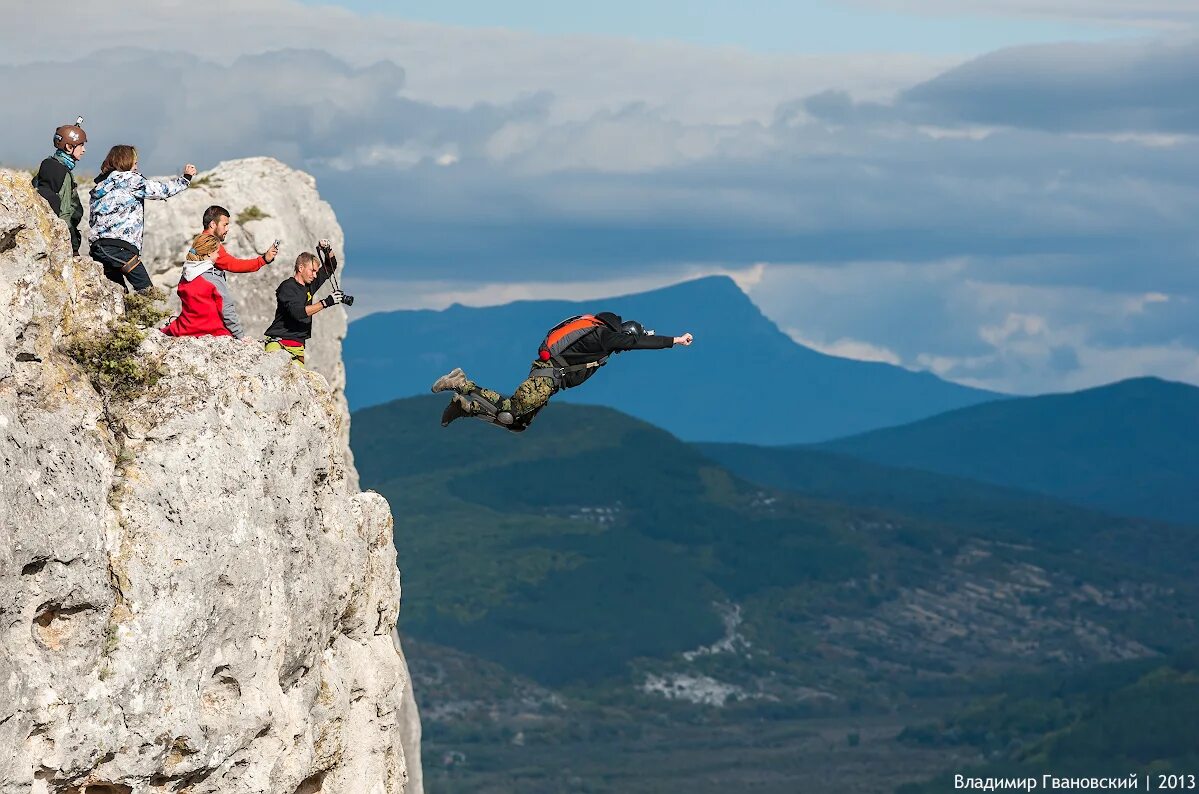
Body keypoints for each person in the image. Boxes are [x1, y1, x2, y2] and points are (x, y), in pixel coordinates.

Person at [431, 313, 694, 432]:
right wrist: (675, 340)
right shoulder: (605, 337)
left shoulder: (598, 334)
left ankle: (465, 408)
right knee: (509, 411)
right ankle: (461, 384)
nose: (622, 349)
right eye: (623, 344)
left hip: (549, 381)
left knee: (518, 424)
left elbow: (637, 338)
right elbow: (639, 342)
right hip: (546, 379)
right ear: (622, 336)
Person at [88, 145, 196, 293]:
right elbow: (161, 191)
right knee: (148, 292)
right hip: (120, 248)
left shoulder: (100, 187)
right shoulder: (130, 180)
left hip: (99, 249)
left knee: (118, 296)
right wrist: (185, 179)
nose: (137, 167)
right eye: (135, 162)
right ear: (126, 161)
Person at [262, 241, 344, 365]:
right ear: (301, 268)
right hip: (278, 342)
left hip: (298, 347)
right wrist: (326, 302)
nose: (316, 275)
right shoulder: (287, 287)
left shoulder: (310, 285)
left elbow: (330, 265)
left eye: (316, 271)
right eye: (312, 271)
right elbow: (298, 313)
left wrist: (327, 249)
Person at [161, 234, 244, 339]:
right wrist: (240, 336)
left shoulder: (185, 275)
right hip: (212, 331)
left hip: (185, 329)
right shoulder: (213, 278)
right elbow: (226, 309)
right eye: (217, 252)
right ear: (209, 253)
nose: (219, 255)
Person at [32, 119, 88, 254]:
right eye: (81, 145)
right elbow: (65, 212)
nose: (84, 150)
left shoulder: (47, 165)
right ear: (69, 147)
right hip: (61, 241)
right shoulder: (63, 172)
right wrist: (73, 246)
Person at [201, 205, 278, 273]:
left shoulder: (203, 240)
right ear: (213, 224)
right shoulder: (209, 244)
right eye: (225, 225)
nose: (227, 229)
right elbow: (233, 264)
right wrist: (263, 260)